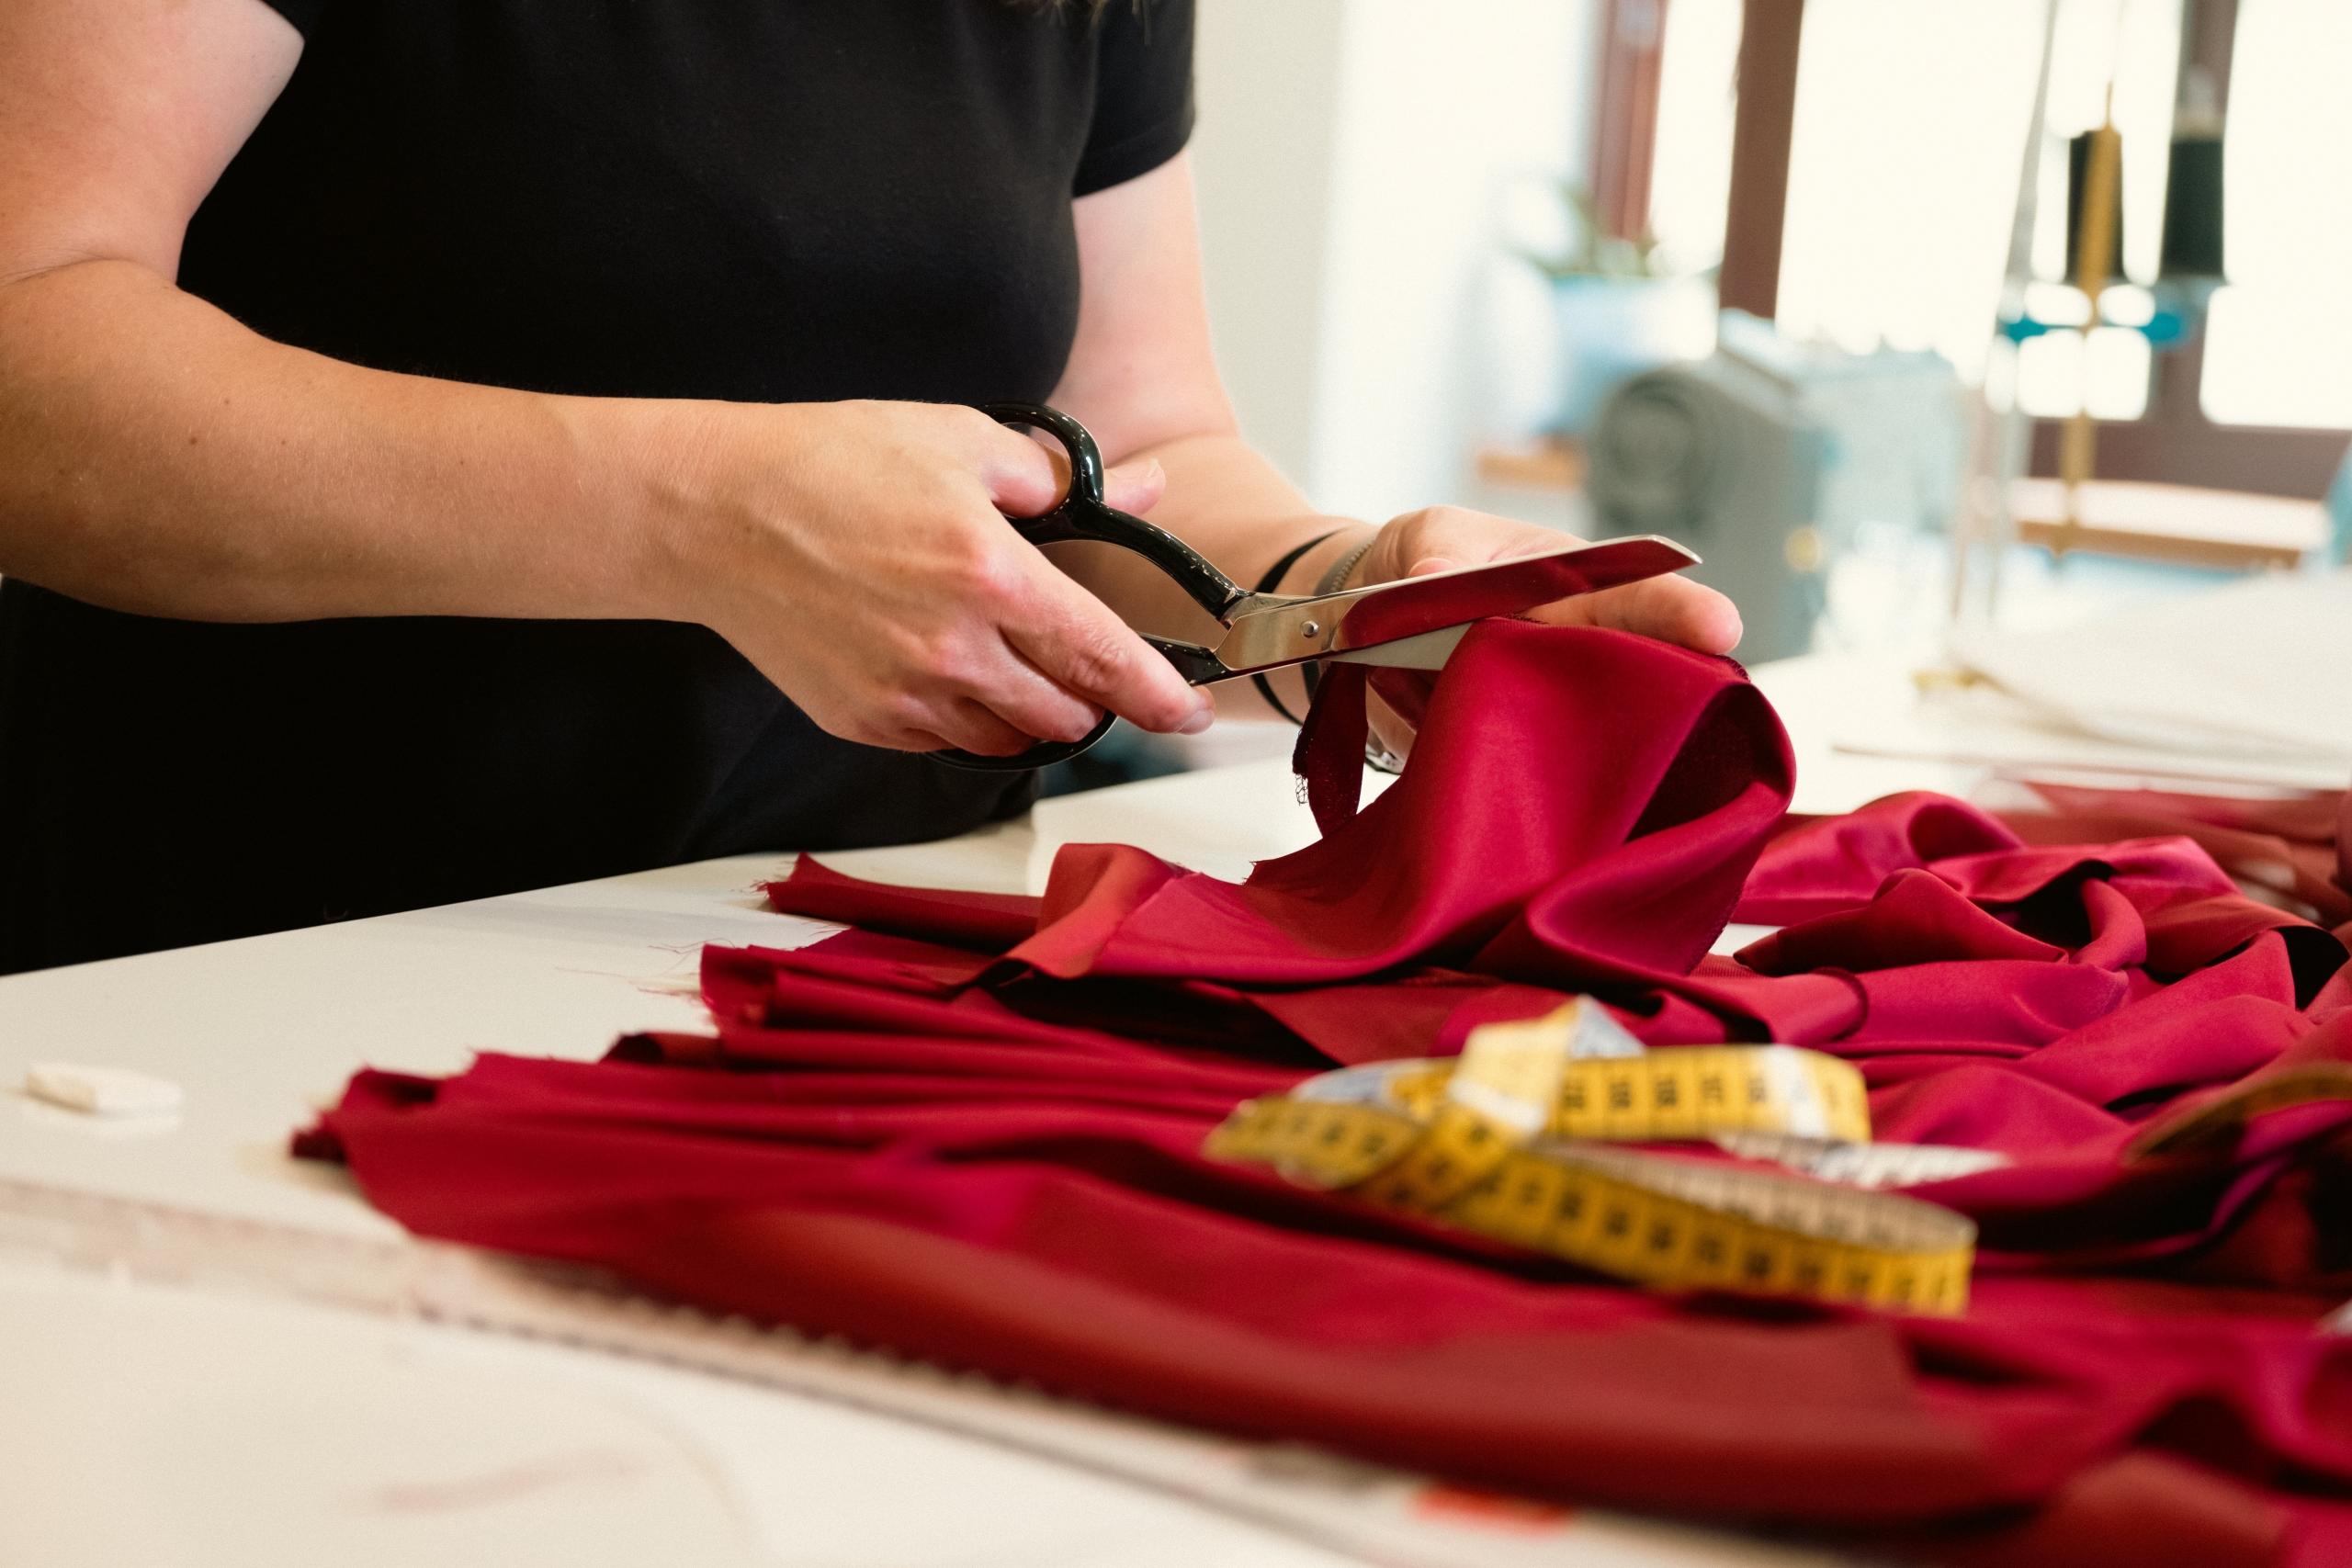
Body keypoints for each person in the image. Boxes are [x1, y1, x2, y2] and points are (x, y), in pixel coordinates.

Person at [0, 0, 1740, 974]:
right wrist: (692, 510)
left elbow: (1132, 446)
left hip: (829, 967)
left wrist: (1354, 597)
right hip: (221, 970)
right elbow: (28, 352)